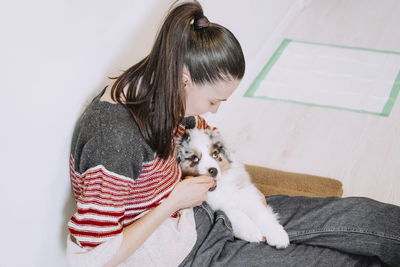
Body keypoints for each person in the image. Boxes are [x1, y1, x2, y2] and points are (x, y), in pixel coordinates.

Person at [66, 1, 400, 266]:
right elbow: (93, 257)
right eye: (213, 100)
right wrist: (173, 202)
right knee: (344, 261)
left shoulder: (156, 85)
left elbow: (202, 130)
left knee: (368, 218)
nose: (214, 110)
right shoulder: (113, 139)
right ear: (185, 79)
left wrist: (243, 191)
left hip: (211, 208)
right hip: (184, 254)